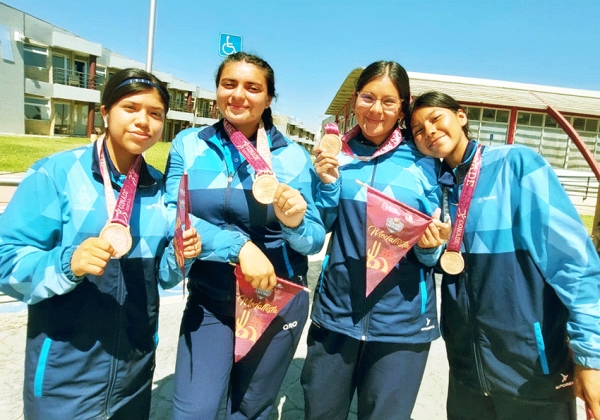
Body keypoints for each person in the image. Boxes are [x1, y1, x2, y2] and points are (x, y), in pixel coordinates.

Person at [0, 68, 201, 419]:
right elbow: (6, 261)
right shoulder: (56, 174)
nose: (144, 121)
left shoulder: (159, 189)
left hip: (134, 379)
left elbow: (161, 279)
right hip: (63, 382)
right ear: (106, 111)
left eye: (155, 114)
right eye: (131, 108)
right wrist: (68, 264)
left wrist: (180, 256)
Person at [407, 90, 600, 420]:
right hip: (467, 374)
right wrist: (429, 249)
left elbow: (574, 263)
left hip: (533, 374)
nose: (429, 131)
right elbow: (441, 264)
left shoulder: (517, 165)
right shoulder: (434, 187)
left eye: (436, 118)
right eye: (418, 130)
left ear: (461, 116)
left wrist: (591, 356)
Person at [164, 52, 326, 420]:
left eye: (253, 88)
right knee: (195, 412)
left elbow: (314, 240)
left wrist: (294, 222)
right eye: (229, 84)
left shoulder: (294, 158)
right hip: (210, 300)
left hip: (274, 300)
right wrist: (239, 248)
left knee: (251, 411)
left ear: (269, 99)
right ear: (217, 90)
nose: (238, 95)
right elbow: (171, 213)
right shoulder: (189, 145)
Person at [300, 61, 443, 420]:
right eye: (368, 97)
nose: (376, 110)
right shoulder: (335, 155)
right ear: (356, 98)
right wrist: (327, 184)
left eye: (389, 102)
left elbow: (436, 249)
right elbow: (319, 229)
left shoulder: (427, 162)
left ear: (403, 107)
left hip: (402, 326)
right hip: (337, 316)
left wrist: (429, 249)